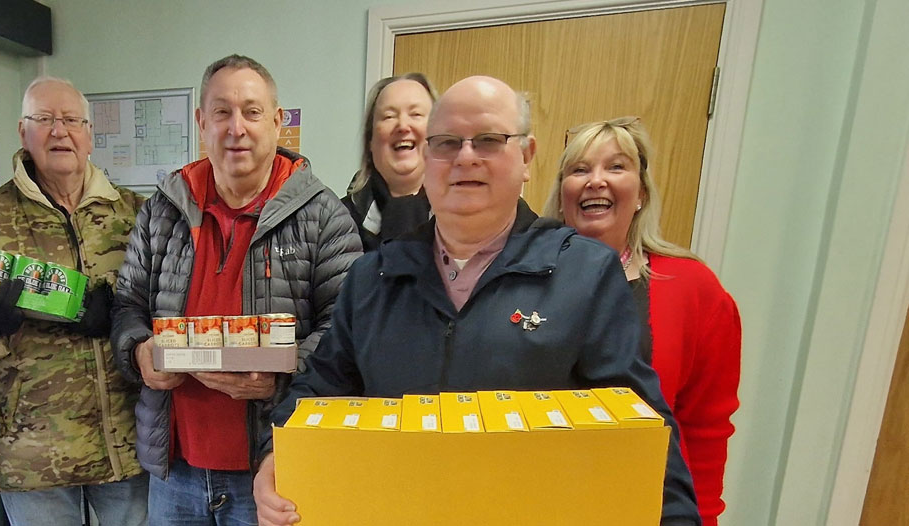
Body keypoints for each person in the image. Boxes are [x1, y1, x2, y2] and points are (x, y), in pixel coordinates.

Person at [253, 76, 701, 526]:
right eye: (446, 143)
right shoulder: (373, 277)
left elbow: (643, 431)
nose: (465, 157)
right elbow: (318, 391)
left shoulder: (586, 274)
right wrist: (277, 454)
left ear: (526, 157)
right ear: (428, 158)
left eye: (488, 140)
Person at [111, 54, 361, 524]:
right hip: (175, 468)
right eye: (222, 112)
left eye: (251, 111)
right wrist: (138, 351)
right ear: (202, 122)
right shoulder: (163, 208)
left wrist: (283, 373)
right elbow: (127, 304)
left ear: (277, 121)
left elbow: (346, 329)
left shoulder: (322, 214)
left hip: (272, 467)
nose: (237, 127)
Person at [0, 76, 148, 526]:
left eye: (72, 120)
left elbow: (169, 306)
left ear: (90, 134)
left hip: (128, 441)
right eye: (45, 119)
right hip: (32, 450)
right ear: (23, 132)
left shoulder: (136, 214)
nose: (60, 131)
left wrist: (120, 318)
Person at [545, 117, 741, 525]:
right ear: (562, 194)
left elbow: (704, 430)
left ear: (641, 195)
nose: (595, 181)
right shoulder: (517, 281)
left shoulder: (695, 290)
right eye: (579, 169)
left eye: (616, 167)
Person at [343, 73, 437, 251]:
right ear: (370, 140)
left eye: (416, 114)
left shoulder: (466, 216)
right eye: (389, 116)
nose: (402, 125)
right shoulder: (337, 221)